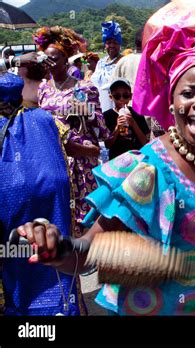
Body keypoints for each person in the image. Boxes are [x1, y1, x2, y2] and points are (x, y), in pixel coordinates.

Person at [15, 0, 195, 316]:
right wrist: (58, 247)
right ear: (171, 102)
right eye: (189, 93)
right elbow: (87, 253)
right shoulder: (148, 170)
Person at [0, 72, 86, 315]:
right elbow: (72, 144)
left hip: (10, 209)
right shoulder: (46, 119)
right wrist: (92, 153)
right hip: (53, 206)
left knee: (15, 263)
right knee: (54, 260)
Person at [34, 26, 112, 237]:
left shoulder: (82, 88)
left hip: (79, 159)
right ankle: (66, 266)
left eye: (55, 58)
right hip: (53, 157)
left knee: (82, 216)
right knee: (59, 215)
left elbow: (98, 127)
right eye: (46, 59)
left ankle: (84, 260)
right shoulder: (42, 89)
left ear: (66, 59)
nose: (50, 63)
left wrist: (84, 113)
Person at [103, 78, 149, 159]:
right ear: (111, 97)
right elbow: (107, 145)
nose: (121, 99)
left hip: (136, 159)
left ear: (130, 96)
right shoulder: (107, 116)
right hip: (116, 160)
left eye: (125, 95)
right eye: (117, 96)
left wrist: (133, 123)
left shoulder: (137, 113)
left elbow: (145, 142)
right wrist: (117, 128)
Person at [91, 21, 123, 113]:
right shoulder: (101, 62)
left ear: (120, 44)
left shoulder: (123, 62)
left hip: (116, 110)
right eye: (109, 42)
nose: (112, 45)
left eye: (115, 42)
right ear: (105, 44)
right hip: (99, 108)